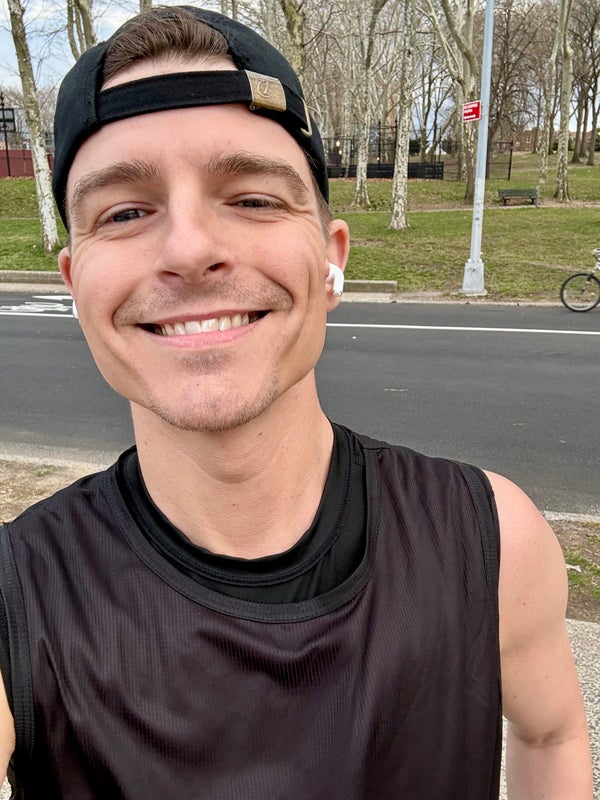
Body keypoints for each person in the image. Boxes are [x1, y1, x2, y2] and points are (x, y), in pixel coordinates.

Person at [0, 6, 592, 798]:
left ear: (330, 260)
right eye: (127, 212)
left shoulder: (493, 542)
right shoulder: (17, 599)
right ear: (77, 286)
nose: (189, 249)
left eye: (252, 199)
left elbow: (551, 733)